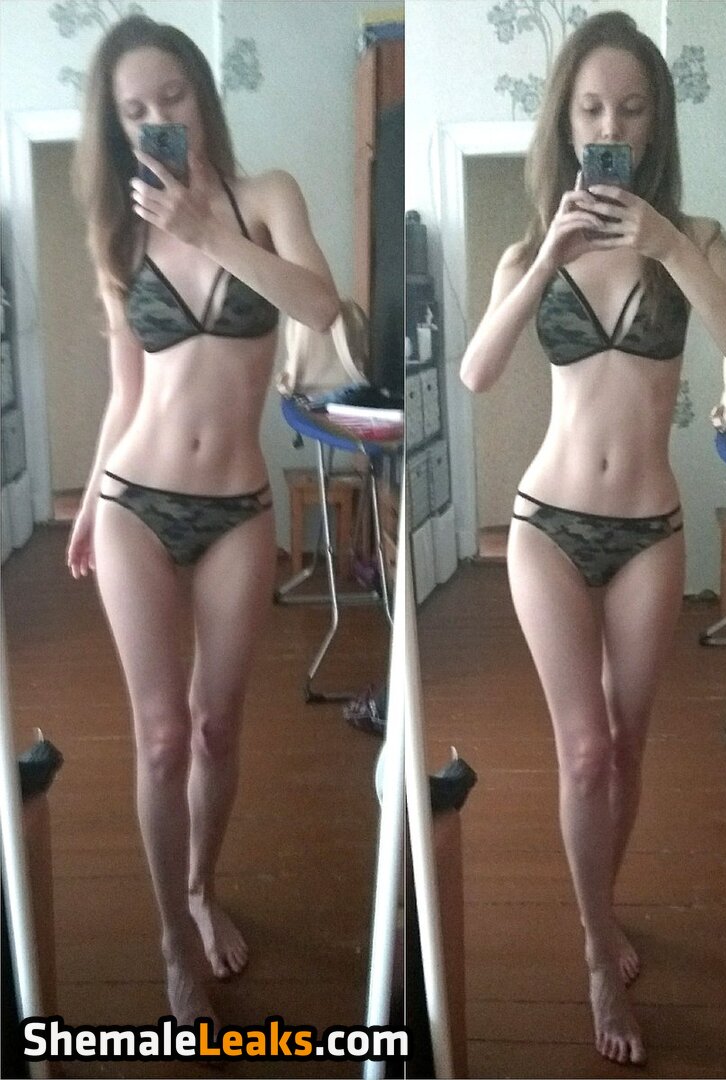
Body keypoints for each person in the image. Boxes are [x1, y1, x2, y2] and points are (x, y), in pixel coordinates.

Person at [460, 11, 726, 1067]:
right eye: (591, 108)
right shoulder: (527, 248)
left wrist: (667, 243)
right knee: (585, 750)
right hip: (548, 523)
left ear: (655, 123)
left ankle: (606, 900)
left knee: (627, 746)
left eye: (631, 110)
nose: (610, 127)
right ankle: (597, 946)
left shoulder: (699, 239)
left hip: (649, 532)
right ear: (565, 120)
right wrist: (546, 254)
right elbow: (477, 372)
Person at [67, 15, 339, 1024]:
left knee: (218, 728)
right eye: (134, 109)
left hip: (235, 509)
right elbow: (125, 393)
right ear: (115, 124)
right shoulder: (117, 235)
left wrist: (209, 231)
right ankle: (173, 939)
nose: (155, 120)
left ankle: (199, 885)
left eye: (171, 97)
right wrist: (90, 498)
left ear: (202, 97)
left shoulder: (266, 198)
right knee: (161, 736)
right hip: (136, 500)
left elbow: (322, 307)